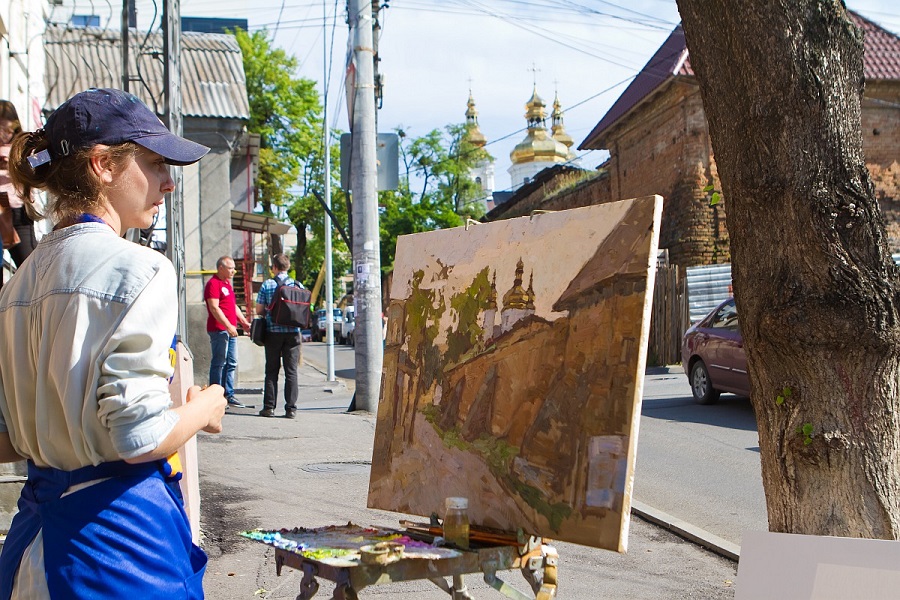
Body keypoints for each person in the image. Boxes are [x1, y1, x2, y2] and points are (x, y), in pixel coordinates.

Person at [0, 88, 226, 598]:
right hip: (115, 547)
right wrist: (205, 409)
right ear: (102, 164)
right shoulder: (140, 268)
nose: (168, 182)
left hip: (31, 547)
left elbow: (7, 439)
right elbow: (139, 437)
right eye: (155, 163)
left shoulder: (16, 285)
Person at [256, 253, 303, 418]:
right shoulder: (297, 285)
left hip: (273, 333)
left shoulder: (268, 284)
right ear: (288, 267)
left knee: (271, 371)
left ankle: (269, 408)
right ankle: (291, 409)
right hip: (293, 334)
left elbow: (259, 310)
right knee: (291, 372)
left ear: (274, 267)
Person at [205, 255, 252, 408]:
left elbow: (232, 306)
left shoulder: (227, 284)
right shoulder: (213, 284)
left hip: (230, 330)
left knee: (231, 362)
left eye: (233, 268)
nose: (233, 271)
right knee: (219, 362)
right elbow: (214, 307)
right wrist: (228, 326)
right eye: (230, 268)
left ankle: (228, 394)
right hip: (219, 330)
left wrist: (243, 322)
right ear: (221, 268)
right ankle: (215, 396)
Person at [0, 100, 39, 268]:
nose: (3, 135)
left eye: (7, 130)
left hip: (18, 209)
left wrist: (16, 164)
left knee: (29, 264)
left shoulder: (22, 145)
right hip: (1, 207)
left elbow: (44, 159)